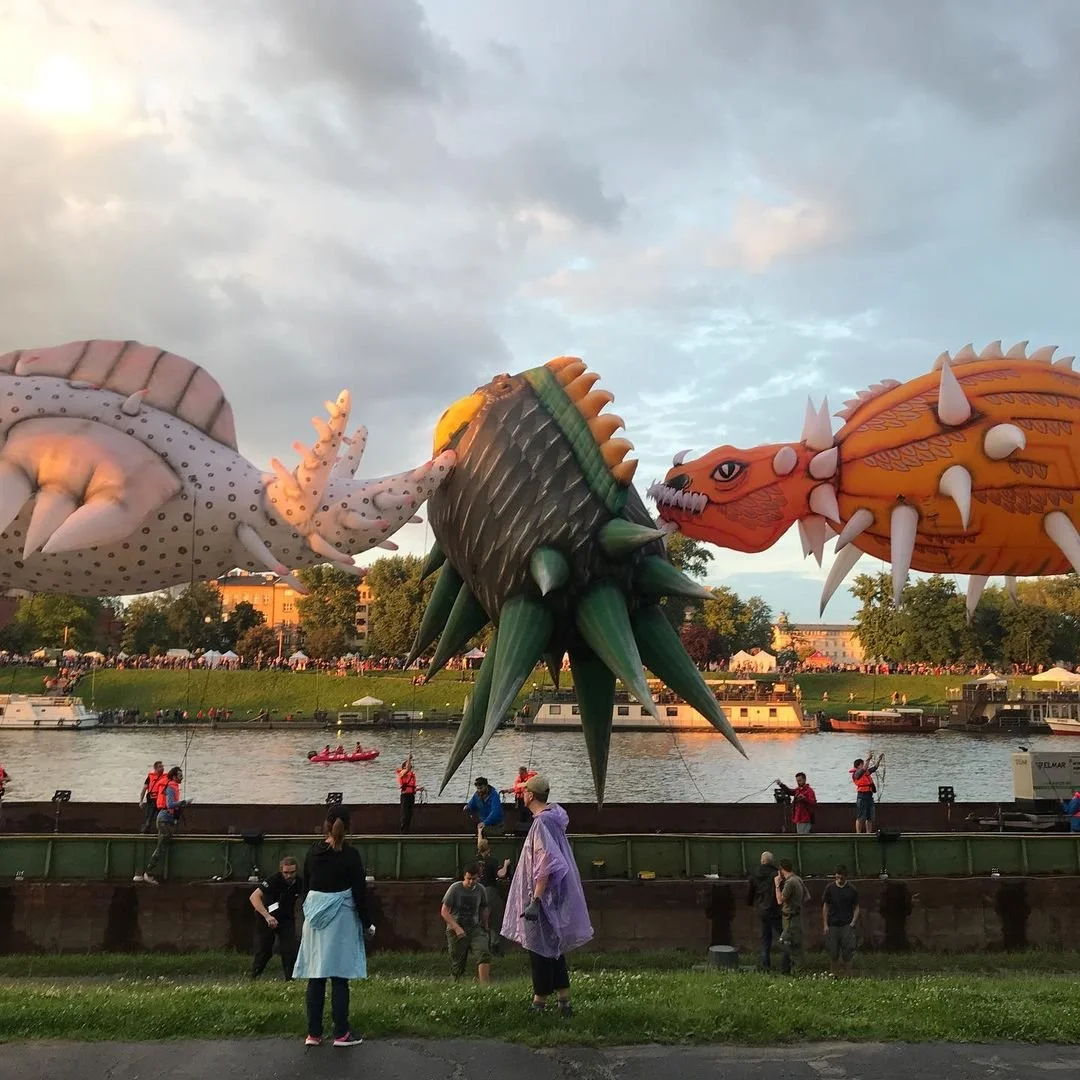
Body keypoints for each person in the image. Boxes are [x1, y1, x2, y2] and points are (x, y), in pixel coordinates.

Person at [501, 774, 593, 1015]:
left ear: (531, 795)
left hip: (543, 898)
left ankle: (539, 1002)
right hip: (555, 895)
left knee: (538, 948)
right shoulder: (554, 820)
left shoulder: (542, 823)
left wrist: (536, 899)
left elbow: (546, 862)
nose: (520, 795)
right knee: (554, 946)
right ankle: (564, 1001)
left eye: (523, 792)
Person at [293, 806, 372, 1048]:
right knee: (339, 977)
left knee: (316, 976)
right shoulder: (351, 855)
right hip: (341, 920)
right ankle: (341, 1033)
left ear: (326, 825)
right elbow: (360, 892)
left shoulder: (312, 852)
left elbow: (306, 886)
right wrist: (367, 923)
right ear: (348, 827)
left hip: (315, 920)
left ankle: (313, 1034)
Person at [249, 856, 302, 980]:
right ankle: (254, 976)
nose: (289, 876)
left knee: (289, 949)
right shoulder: (273, 880)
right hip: (266, 917)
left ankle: (290, 979)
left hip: (286, 919)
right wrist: (267, 916)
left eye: (292, 872)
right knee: (264, 950)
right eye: (286, 873)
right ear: (281, 871)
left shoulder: (300, 882)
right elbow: (254, 897)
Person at [135, 766, 189, 884]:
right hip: (164, 820)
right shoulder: (170, 787)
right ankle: (147, 873)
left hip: (166, 820)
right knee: (161, 847)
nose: (182, 778)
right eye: (180, 776)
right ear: (174, 777)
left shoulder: (171, 786)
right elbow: (170, 804)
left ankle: (144, 873)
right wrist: (184, 802)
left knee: (163, 845)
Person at [440, 862, 492, 984]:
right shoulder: (455, 889)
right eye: (468, 879)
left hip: (475, 928)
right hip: (456, 929)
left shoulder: (481, 890)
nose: (471, 882)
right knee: (458, 964)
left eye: (474, 879)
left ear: (478, 878)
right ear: (464, 877)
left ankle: (485, 987)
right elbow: (444, 911)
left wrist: (485, 926)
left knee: (484, 953)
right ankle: (455, 985)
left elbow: (484, 908)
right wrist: (456, 928)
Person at [746, 850, 782, 970]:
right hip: (775, 909)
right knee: (783, 936)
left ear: (762, 861)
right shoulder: (776, 874)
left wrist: (750, 903)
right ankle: (786, 963)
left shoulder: (755, 874)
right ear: (772, 862)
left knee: (765, 937)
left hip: (761, 909)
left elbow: (750, 892)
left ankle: (765, 964)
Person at [822, 864, 860, 976]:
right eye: (837, 877)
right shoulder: (830, 888)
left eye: (841, 878)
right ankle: (834, 975)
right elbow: (825, 906)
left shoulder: (852, 889)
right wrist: (825, 924)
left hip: (846, 925)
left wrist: (853, 922)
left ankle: (848, 975)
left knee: (848, 952)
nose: (839, 880)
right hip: (833, 924)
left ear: (846, 877)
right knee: (833, 952)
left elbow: (857, 907)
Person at [774, 858, 809, 975]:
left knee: (789, 945)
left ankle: (797, 972)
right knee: (795, 944)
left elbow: (780, 900)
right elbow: (807, 896)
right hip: (797, 915)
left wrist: (777, 885)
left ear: (781, 870)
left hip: (789, 918)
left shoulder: (789, 883)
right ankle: (793, 970)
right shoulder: (798, 879)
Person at [477, 837, 511, 954]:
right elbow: (501, 874)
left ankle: (481, 945)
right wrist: (506, 865)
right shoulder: (492, 861)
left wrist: (480, 832)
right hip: (490, 891)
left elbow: (479, 845)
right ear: (489, 849)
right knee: (495, 918)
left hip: (478, 891)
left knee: (482, 919)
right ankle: (494, 945)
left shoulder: (477, 860)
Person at [851, 752, 884, 833]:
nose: (864, 765)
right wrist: (868, 759)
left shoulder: (866, 773)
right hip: (862, 796)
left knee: (870, 817)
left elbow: (874, 768)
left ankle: (868, 833)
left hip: (869, 796)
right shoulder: (856, 774)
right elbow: (863, 769)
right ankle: (858, 833)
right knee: (860, 817)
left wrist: (879, 759)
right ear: (858, 765)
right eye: (862, 764)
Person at [139, 761, 167, 834]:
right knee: (148, 818)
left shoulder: (166, 777)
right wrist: (141, 801)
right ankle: (145, 832)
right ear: (155, 768)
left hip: (161, 802)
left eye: (162, 766)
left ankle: (161, 833)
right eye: (160, 767)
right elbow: (144, 788)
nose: (162, 768)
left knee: (161, 819)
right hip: (151, 801)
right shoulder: (150, 777)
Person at [397, 755, 418, 833]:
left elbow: (411, 786)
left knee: (409, 815)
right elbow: (408, 768)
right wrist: (409, 759)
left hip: (411, 795)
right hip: (405, 796)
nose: (410, 766)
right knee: (405, 815)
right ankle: (403, 832)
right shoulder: (403, 773)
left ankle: (407, 831)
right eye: (408, 764)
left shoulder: (411, 774)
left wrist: (418, 789)